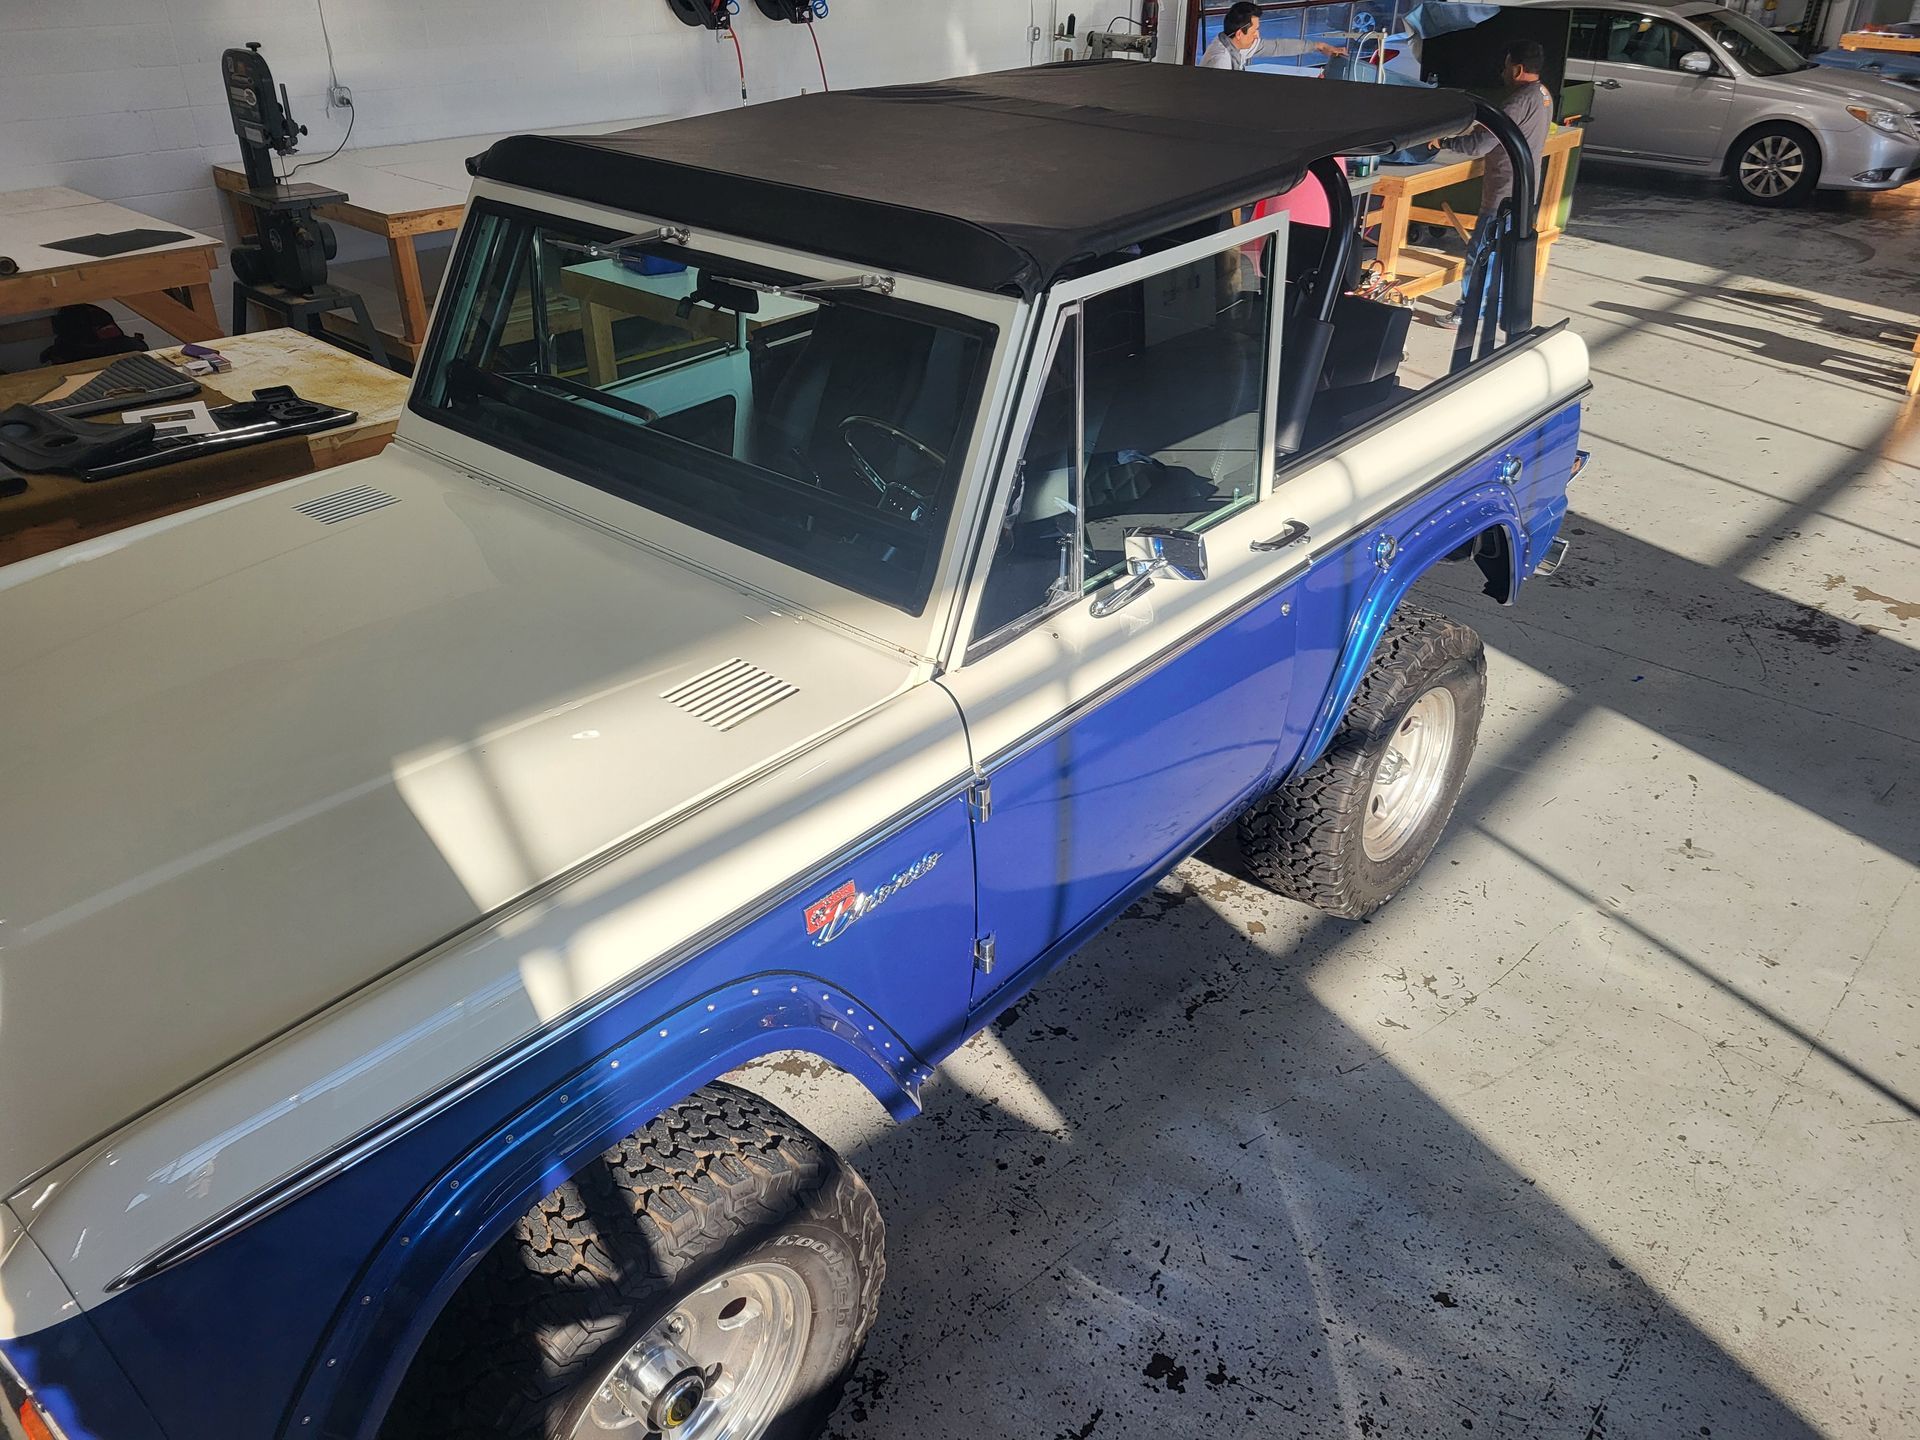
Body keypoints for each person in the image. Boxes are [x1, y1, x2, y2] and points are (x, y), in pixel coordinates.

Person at [1432, 38, 1552, 328]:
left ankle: (1469, 310)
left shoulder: (1516, 101)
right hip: (1522, 188)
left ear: (1518, 68)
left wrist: (1443, 142)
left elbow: (1480, 145)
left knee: (1482, 253)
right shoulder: (1543, 94)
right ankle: (1492, 307)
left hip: (1502, 194)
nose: (1502, 72)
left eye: (1506, 66)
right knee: (1500, 253)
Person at [1199, 2, 1342, 71]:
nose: (1258, 36)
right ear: (1239, 34)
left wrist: (1318, 46)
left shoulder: (1234, 43)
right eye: (1255, 31)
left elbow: (1277, 47)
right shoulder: (1220, 61)